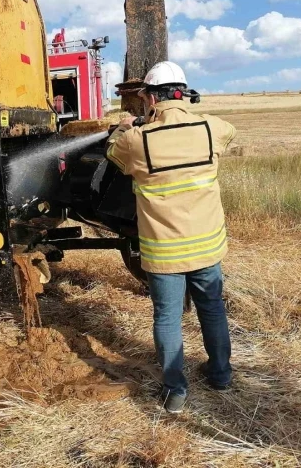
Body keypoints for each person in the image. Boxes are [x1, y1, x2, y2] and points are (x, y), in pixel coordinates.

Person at [106, 61, 237, 414]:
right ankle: (221, 375)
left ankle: (175, 392)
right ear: (184, 92)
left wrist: (127, 127)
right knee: (212, 309)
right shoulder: (212, 128)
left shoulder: (137, 140)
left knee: (166, 317)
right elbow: (229, 131)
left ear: (150, 98)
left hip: (164, 251)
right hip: (208, 245)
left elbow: (113, 155)